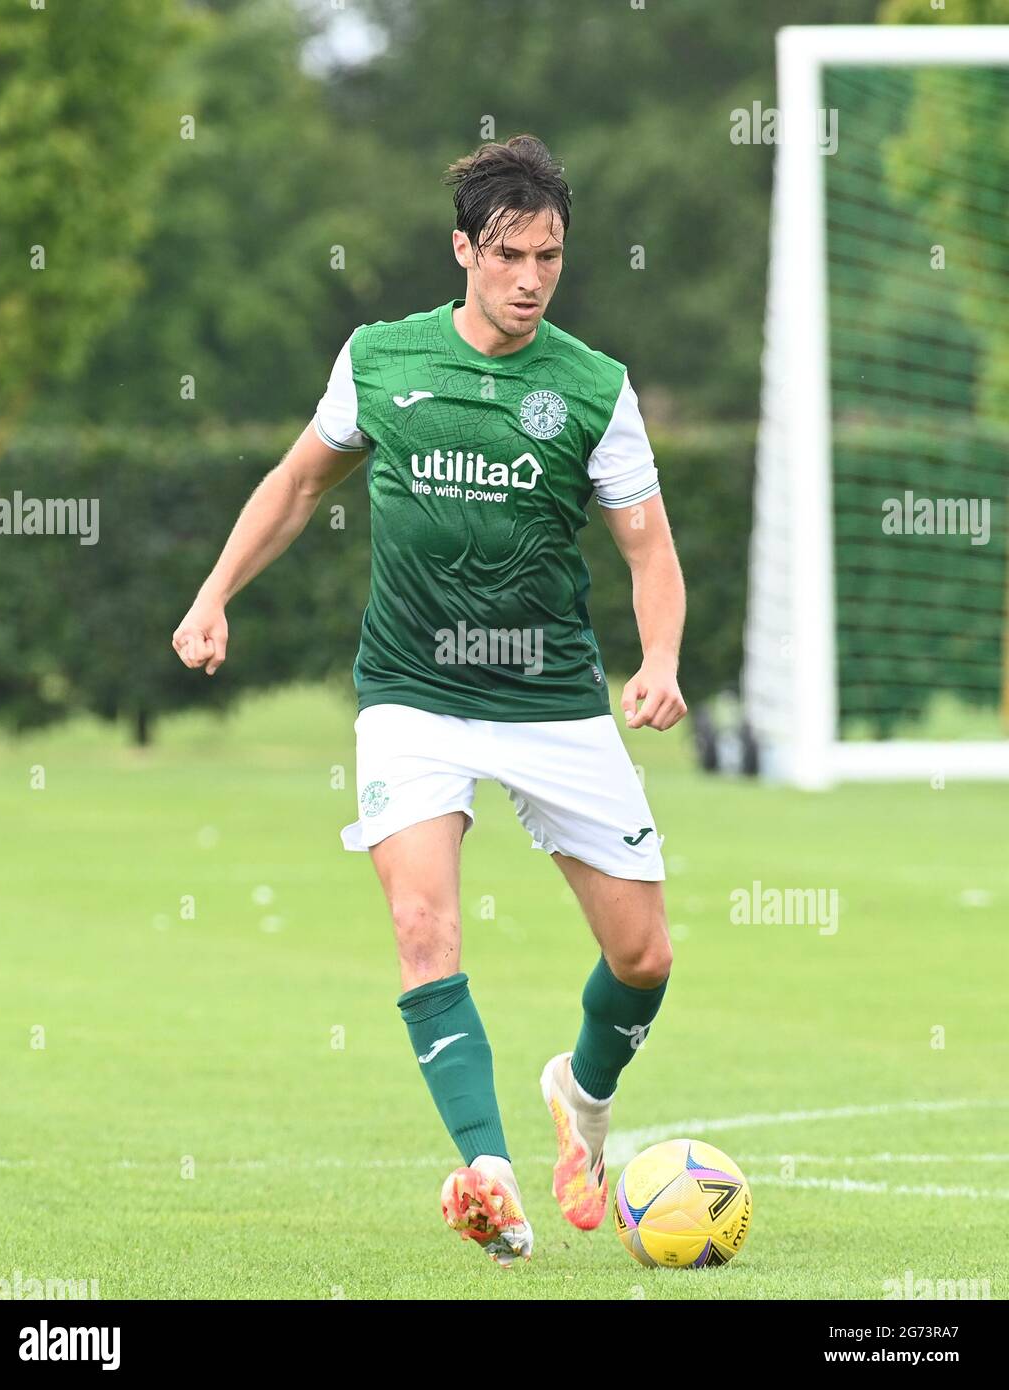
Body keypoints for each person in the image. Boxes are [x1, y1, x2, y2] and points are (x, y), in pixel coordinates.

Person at [172, 133, 687, 1266]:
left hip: (552, 697)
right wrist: (213, 593)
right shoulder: (381, 358)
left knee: (643, 955)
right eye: (508, 254)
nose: (529, 279)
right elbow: (299, 482)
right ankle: (489, 1174)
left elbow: (647, 548)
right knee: (421, 924)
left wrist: (657, 658)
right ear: (462, 248)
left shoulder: (593, 386)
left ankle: (580, 1094)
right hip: (409, 693)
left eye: (549, 256)